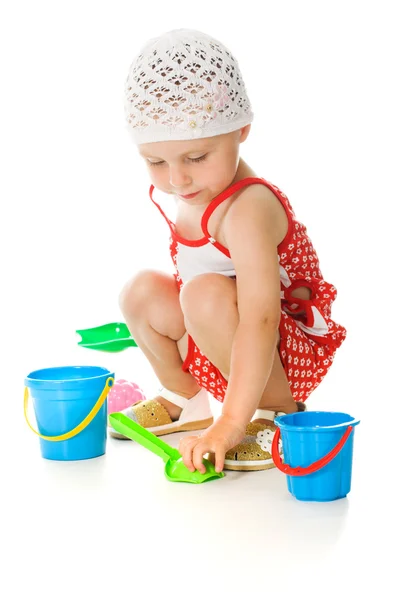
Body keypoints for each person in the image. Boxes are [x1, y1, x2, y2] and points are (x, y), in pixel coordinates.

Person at [109, 28, 346, 474]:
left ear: (241, 130)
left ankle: (274, 414)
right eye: (156, 161)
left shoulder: (247, 208)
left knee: (202, 294)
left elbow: (261, 317)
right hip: (221, 338)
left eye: (196, 158)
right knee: (140, 290)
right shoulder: (195, 184)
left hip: (283, 348)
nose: (177, 180)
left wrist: (231, 422)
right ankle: (186, 397)